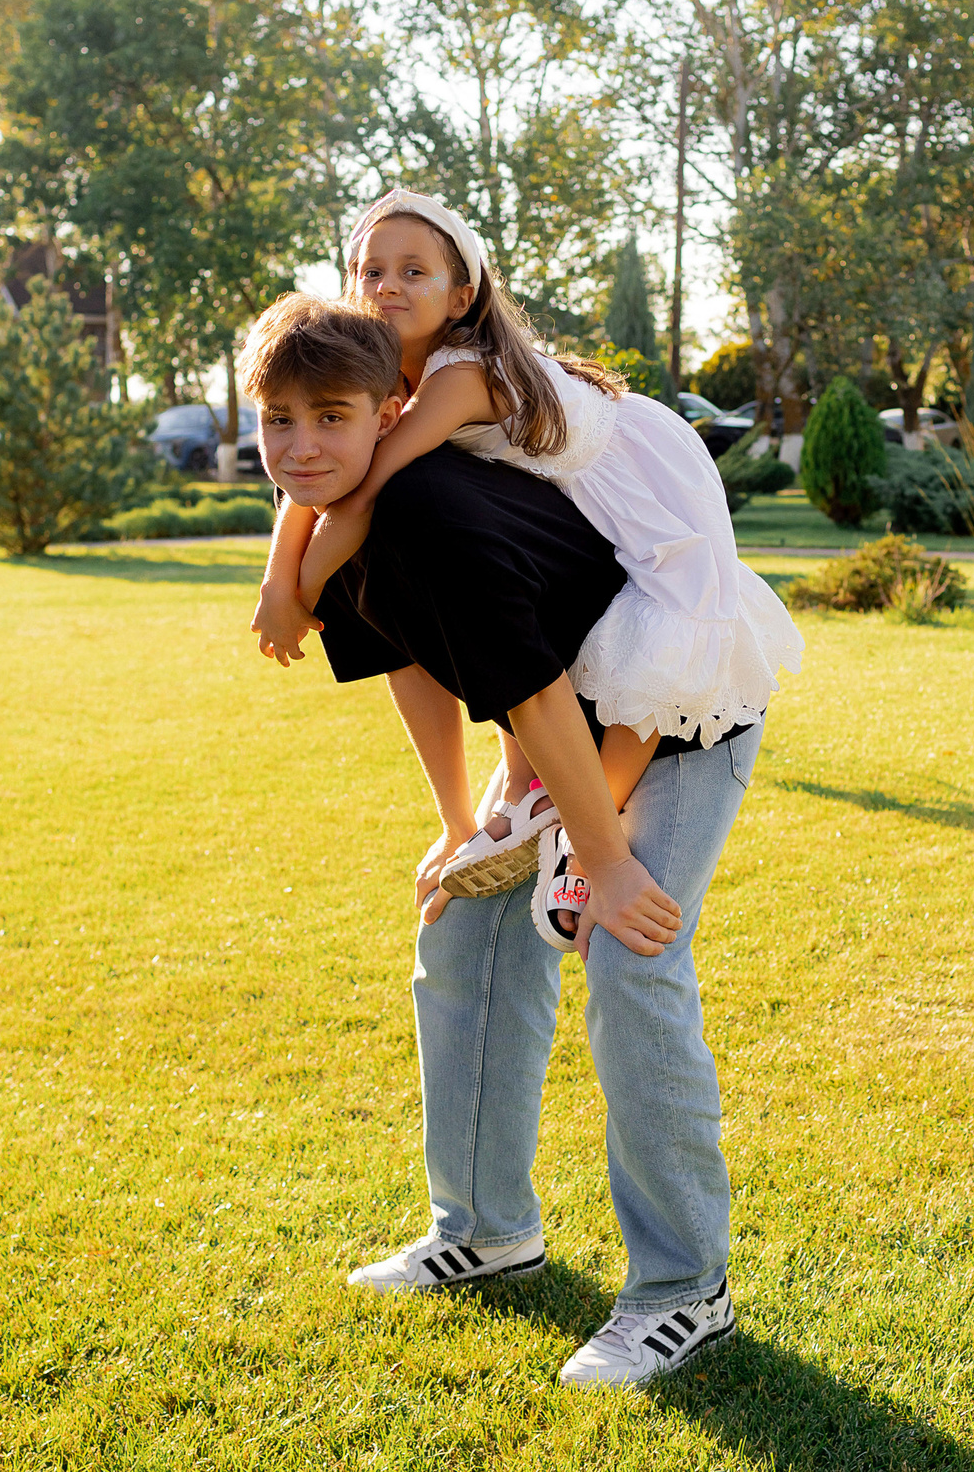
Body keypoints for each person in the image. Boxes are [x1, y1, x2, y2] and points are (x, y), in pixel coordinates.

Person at [241, 290, 762, 1387]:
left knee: (631, 957)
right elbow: (413, 665)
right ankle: (486, 1231)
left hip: (671, 713)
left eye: (329, 418)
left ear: (390, 410)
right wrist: (461, 827)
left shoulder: (423, 501)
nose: (299, 446)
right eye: (276, 421)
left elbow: (529, 687)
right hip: (556, 731)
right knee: (464, 935)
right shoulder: (339, 521)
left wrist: (605, 861)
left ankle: (684, 1290)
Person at [253, 189, 800, 924]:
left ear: (462, 293)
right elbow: (324, 480)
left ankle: (589, 844)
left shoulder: (459, 373)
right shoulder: (382, 384)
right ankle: (536, 798)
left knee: (654, 649)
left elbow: (361, 490)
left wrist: (300, 585)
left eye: (413, 271)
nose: (386, 286)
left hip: (637, 489)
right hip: (556, 506)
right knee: (559, 639)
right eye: (369, 271)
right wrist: (277, 581)